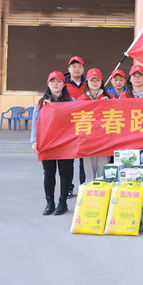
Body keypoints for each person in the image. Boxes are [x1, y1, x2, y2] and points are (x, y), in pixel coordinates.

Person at [30, 71, 74, 216]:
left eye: (58, 81)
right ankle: (50, 203)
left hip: (65, 143)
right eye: (52, 81)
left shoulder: (71, 101)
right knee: (49, 173)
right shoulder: (41, 102)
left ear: (63, 84)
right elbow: (35, 123)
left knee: (65, 173)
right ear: (48, 84)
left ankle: (62, 202)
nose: (55, 84)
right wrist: (34, 141)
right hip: (46, 142)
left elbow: (77, 120)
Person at [76, 69, 112, 180]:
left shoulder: (110, 98)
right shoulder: (81, 99)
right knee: (89, 174)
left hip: (104, 140)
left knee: (103, 173)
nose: (95, 83)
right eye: (92, 80)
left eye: (97, 80)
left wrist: (109, 104)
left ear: (101, 82)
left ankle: (103, 190)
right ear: (87, 82)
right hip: (87, 141)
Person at [64, 56, 85, 197]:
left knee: (84, 161)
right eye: (74, 66)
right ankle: (68, 187)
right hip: (68, 128)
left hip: (85, 127)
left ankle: (84, 187)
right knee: (68, 161)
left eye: (79, 66)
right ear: (69, 69)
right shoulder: (62, 85)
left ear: (83, 69)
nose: (76, 69)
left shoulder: (89, 84)